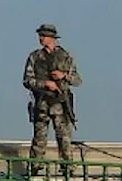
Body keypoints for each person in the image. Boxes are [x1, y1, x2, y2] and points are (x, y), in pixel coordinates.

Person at [22, 24, 80, 169]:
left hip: (60, 104)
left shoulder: (65, 57)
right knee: (39, 138)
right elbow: (27, 80)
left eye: (44, 36)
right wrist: (45, 84)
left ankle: (67, 167)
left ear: (52, 38)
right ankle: (35, 167)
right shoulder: (35, 57)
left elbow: (78, 80)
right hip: (42, 103)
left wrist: (64, 76)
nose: (41, 38)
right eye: (40, 35)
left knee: (64, 139)